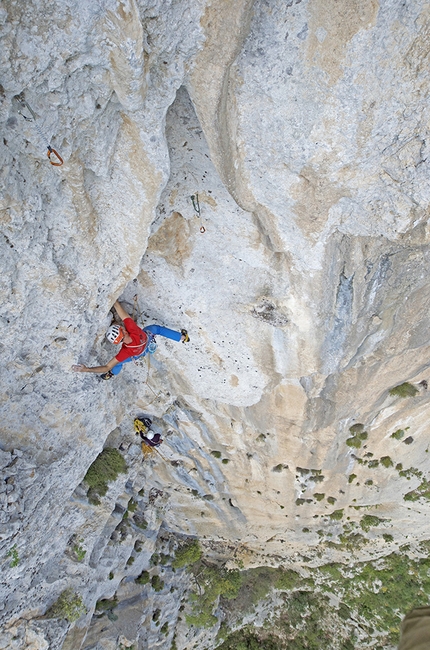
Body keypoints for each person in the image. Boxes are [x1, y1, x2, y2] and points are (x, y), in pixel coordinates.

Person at [72, 300, 189, 379]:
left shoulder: (125, 352)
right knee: (157, 329)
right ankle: (182, 337)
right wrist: (114, 301)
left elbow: (107, 366)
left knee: (117, 363)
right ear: (123, 330)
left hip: (139, 353)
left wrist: (87, 370)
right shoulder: (133, 330)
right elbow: (121, 312)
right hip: (146, 339)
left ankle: (111, 375)